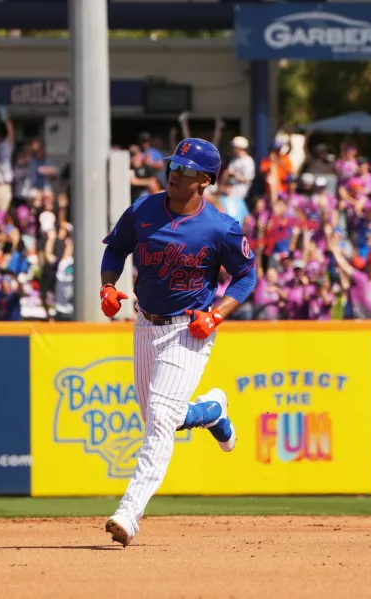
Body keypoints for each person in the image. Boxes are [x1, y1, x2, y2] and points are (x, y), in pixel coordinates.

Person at [99, 137, 256, 547]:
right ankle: (212, 410)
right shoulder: (144, 209)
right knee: (158, 417)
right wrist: (108, 286)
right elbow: (116, 249)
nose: (174, 174)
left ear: (204, 180)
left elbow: (246, 276)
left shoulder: (220, 226)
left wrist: (218, 312)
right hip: (145, 325)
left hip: (189, 329)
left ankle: (128, 514)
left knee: (159, 422)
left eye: (185, 170)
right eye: (173, 166)